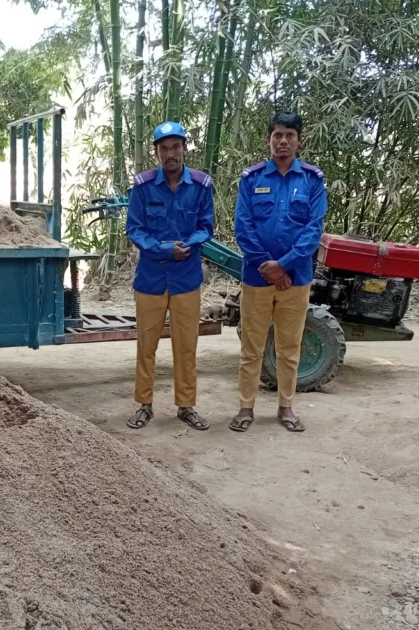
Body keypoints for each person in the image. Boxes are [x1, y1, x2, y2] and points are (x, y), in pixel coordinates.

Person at [230, 112, 327, 433]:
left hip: (294, 280)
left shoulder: (312, 181)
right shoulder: (252, 179)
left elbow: (313, 231)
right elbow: (242, 228)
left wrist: (283, 266)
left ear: (300, 140)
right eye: (277, 135)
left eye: (289, 135)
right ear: (269, 139)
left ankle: (286, 407)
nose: (283, 141)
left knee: (289, 346)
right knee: (252, 346)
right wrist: (269, 268)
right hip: (257, 277)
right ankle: (246, 408)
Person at [124, 121, 215, 431]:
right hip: (150, 278)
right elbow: (134, 228)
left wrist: (186, 246)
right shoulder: (143, 185)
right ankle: (144, 405)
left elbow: (206, 226)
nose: (170, 153)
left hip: (186, 278)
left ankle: (186, 406)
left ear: (184, 149)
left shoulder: (200, 185)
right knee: (146, 344)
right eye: (164, 148)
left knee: (186, 345)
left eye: (176, 146)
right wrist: (163, 249)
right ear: (157, 152)